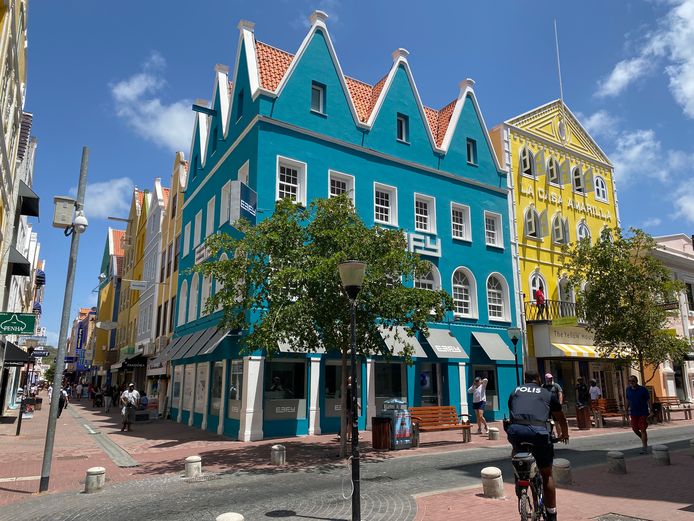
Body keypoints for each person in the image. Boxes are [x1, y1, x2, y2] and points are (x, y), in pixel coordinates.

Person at [507, 371, 569, 521]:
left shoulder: (515, 391)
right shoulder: (546, 393)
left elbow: (512, 411)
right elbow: (560, 417)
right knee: (546, 474)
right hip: (538, 432)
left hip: (516, 431)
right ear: (539, 379)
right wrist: (564, 435)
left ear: (525, 380)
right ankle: (552, 514)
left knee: (516, 451)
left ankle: (519, 479)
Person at [626, 375, 650, 454]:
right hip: (634, 412)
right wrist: (626, 409)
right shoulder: (628, 390)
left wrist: (651, 410)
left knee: (643, 429)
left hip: (643, 412)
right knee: (635, 429)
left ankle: (644, 447)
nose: (631, 383)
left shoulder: (643, 390)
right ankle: (644, 439)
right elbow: (628, 400)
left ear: (636, 381)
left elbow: (648, 400)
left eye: (633, 381)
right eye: (630, 381)